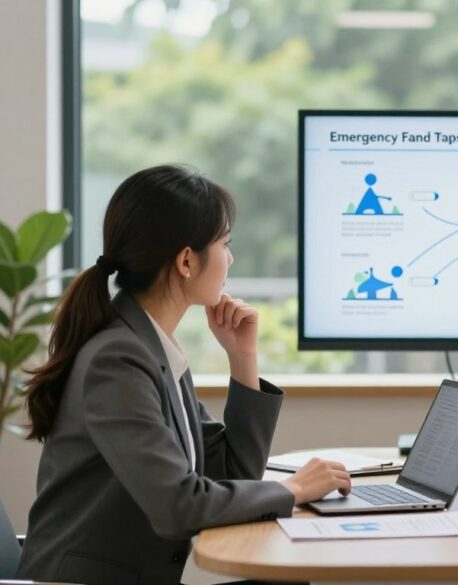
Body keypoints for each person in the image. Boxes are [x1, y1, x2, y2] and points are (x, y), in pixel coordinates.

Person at [17, 165, 351, 585]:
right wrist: (294, 490)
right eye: (226, 244)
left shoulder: (150, 346)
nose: (230, 258)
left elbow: (233, 472)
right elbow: (179, 506)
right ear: (187, 260)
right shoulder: (118, 359)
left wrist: (242, 356)